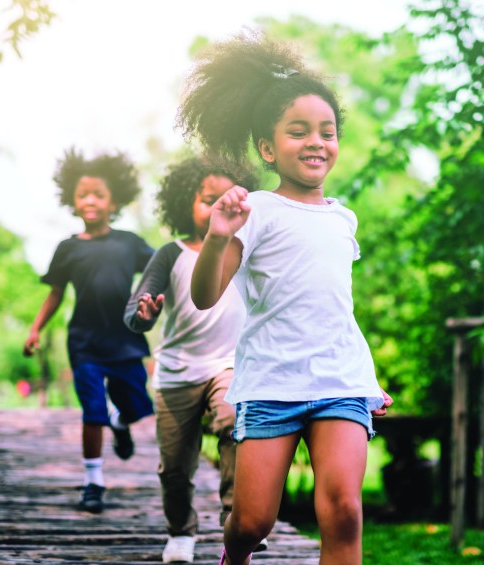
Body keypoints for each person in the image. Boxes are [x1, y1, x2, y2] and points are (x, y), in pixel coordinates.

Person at [177, 31, 394, 565]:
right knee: (253, 521)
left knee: (343, 511)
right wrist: (219, 235)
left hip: (339, 381)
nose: (316, 141)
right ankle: (236, 555)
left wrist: (366, 379)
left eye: (327, 131)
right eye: (299, 132)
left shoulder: (344, 218)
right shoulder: (256, 210)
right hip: (273, 382)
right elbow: (205, 296)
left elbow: (334, 308)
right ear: (269, 148)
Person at [123, 156, 265, 563]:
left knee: (234, 426)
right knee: (175, 466)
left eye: (226, 198)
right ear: (186, 203)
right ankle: (180, 531)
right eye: (207, 199)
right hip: (177, 371)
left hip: (229, 365)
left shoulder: (247, 251)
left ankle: (236, 522)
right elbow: (134, 310)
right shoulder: (171, 253)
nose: (217, 206)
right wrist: (143, 313)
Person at [23, 147, 155, 514]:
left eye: (99, 194)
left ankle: (120, 420)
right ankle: (93, 482)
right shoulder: (67, 249)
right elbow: (55, 294)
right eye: (83, 195)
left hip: (126, 339)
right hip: (85, 344)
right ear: (72, 201)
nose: (91, 200)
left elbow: (162, 267)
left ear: (114, 201)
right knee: (92, 410)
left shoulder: (129, 242)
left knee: (137, 405)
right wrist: (35, 329)